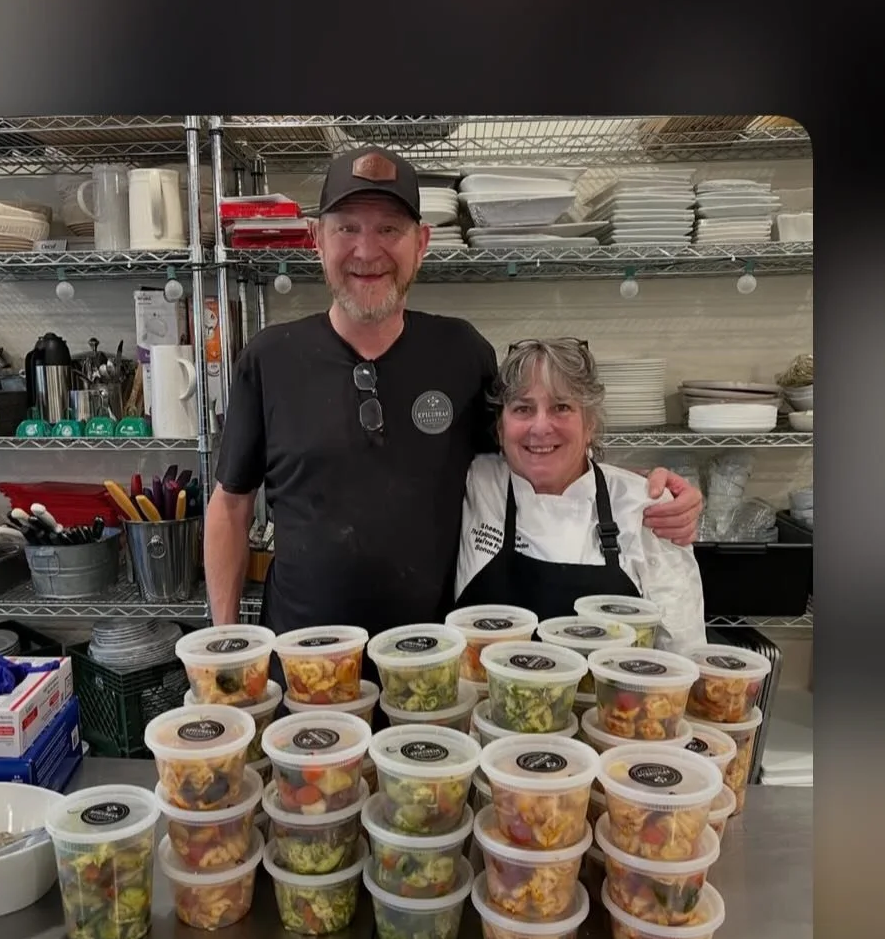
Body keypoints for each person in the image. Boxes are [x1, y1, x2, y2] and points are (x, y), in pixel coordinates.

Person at [206, 144, 702, 634]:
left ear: (421, 242)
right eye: (347, 228)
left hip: (435, 670)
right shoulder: (270, 358)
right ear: (317, 238)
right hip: (303, 662)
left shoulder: (461, 352)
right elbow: (230, 504)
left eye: (388, 229)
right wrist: (222, 646)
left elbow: (533, 454)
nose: (366, 250)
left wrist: (642, 491)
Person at [455, 338, 706, 652]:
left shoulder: (643, 506)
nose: (540, 426)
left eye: (561, 407)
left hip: (616, 701)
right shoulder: (472, 483)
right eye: (522, 408)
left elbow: (684, 650)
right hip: (484, 700)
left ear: (590, 425)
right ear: (501, 429)